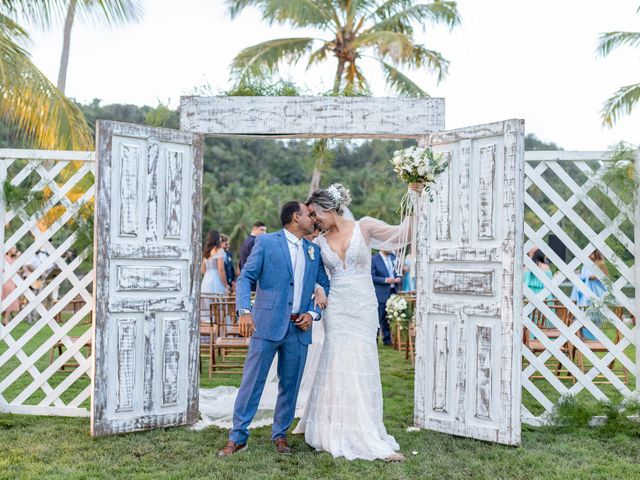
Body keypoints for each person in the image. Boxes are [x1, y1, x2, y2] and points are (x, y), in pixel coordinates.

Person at [293, 182, 422, 462]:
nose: (314, 220)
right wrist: (317, 288)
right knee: (337, 361)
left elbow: (404, 234)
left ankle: (365, 429)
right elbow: (313, 274)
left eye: (316, 214)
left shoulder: (364, 227)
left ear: (330, 208)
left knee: (361, 361)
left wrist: (415, 197)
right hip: (336, 308)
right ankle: (332, 427)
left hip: (363, 306)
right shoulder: (317, 242)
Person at [218, 202, 330, 457]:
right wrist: (244, 311)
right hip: (266, 324)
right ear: (295, 217)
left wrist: (313, 314)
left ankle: (280, 435)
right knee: (252, 382)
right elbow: (246, 278)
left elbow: (323, 285)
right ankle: (238, 437)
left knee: (290, 385)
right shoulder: (267, 242)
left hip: (299, 329)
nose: (313, 218)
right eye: (308, 214)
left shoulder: (313, 249)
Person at [570, 249, 608, 340]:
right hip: (586, 291)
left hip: (596, 290)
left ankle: (592, 333)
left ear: (596, 254)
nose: (590, 255)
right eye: (589, 253)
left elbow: (603, 276)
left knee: (595, 312)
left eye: (592, 253)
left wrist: (592, 276)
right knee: (584, 311)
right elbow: (584, 276)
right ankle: (582, 331)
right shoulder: (586, 264)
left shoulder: (600, 263)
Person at [371, 250, 401, 346]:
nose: (391, 249)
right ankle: (374, 340)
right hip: (380, 293)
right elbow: (372, 277)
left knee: (390, 317)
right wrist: (386, 280)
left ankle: (387, 340)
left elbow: (399, 273)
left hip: (393, 292)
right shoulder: (374, 259)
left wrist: (399, 278)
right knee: (379, 317)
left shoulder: (394, 258)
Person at [201, 231, 229, 321]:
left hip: (206, 280)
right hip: (216, 280)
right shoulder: (219, 250)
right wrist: (226, 285)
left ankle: (208, 332)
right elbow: (221, 269)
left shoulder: (206, 251)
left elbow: (203, 269)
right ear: (218, 239)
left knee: (207, 308)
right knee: (219, 307)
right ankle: (219, 331)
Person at [2, 246, 21, 326]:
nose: (15, 250)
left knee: (6, 300)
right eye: (13, 248)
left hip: (9, 281)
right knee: (9, 299)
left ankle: (5, 318)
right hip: (7, 282)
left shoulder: (9, 258)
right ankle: (5, 320)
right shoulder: (6, 258)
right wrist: (18, 257)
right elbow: (13, 267)